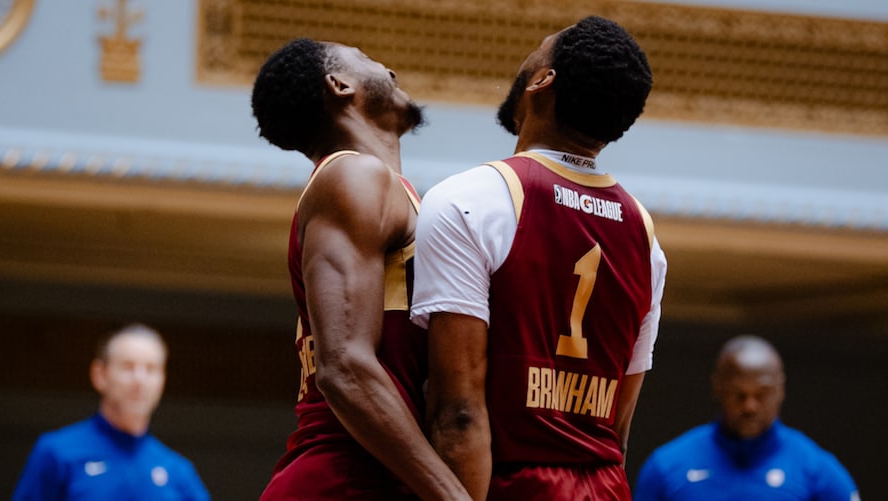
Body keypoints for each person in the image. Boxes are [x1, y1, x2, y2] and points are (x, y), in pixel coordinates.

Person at [411, 15, 667, 501]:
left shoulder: (469, 199)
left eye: (537, 50)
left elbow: (458, 415)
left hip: (510, 485)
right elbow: (618, 426)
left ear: (542, 80)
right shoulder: (644, 234)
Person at [250, 38, 469, 500]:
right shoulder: (353, 176)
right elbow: (344, 368)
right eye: (366, 58)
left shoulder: (385, 189)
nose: (389, 70)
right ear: (339, 84)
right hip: (341, 481)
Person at [633, 335, 860, 501]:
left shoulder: (818, 471)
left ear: (780, 390)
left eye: (761, 394)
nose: (749, 406)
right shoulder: (666, 467)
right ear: (718, 388)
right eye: (739, 394)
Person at [11, 323, 210, 501]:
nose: (139, 380)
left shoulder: (177, 472)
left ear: (162, 380)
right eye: (127, 367)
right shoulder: (58, 453)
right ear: (100, 374)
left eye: (151, 369)